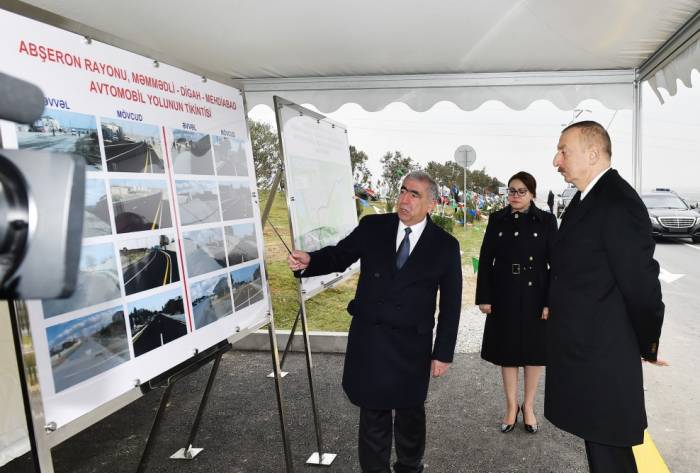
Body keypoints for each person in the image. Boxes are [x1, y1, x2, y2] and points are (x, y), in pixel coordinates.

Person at [287, 170, 462, 473]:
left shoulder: (445, 245)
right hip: (372, 340)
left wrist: (443, 352)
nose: (404, 199)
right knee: (373, 415)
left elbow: (451, 304)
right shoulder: (373, 227)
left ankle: (409, 466)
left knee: (409, 416)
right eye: (403, 191)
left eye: (414, 194)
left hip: (412, 346)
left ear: (432, 204)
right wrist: (310, 261)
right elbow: (339, 256)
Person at [546, 121, 665, 473]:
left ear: (593, 154)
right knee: (600, 452)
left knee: (610, 456)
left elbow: (642, 287)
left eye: (563, 150)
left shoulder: (617, 203)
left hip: (603, 357)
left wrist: (647, 344)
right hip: (587, 353)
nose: (556, 159)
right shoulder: (589, 198)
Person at [475, 171, 557, 434]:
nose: (515, 196)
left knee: (534, 354)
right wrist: (485, 297)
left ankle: (529, 406)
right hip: (504, 292)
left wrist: (550, 302)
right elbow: (486, 258)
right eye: (511, 191)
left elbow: (555, 265)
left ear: (532, 193)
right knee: (507, 353)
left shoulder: (546, 220)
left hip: (536, 294)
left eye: (521, 191)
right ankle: (511, 407)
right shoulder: (498, 219)